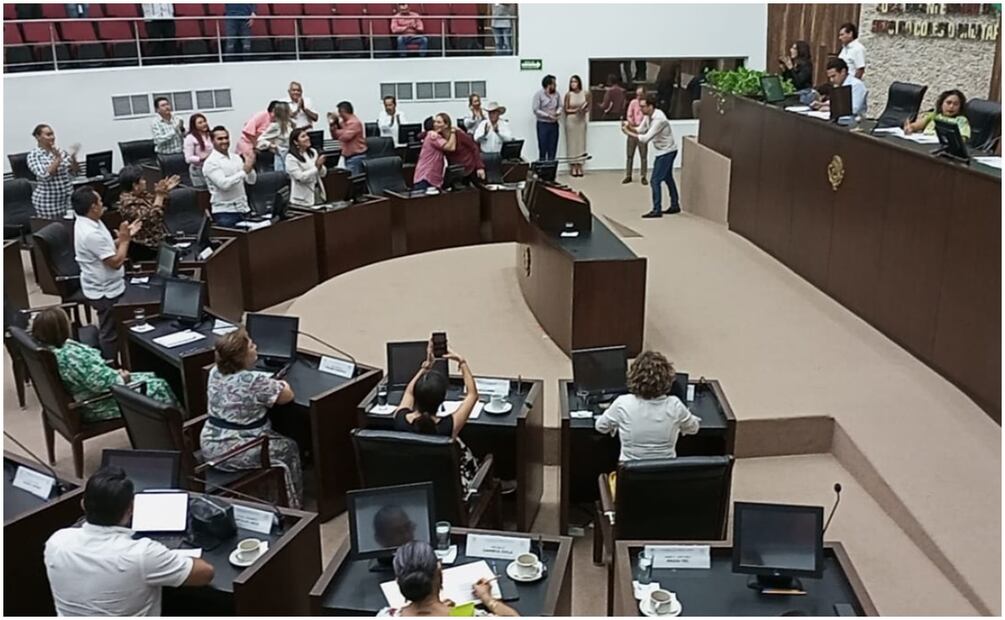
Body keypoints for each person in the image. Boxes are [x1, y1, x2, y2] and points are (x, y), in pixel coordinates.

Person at [44, 466, 214, 616]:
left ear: (83, 505)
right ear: (131, 508)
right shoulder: (142, 554)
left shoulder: (56, 542)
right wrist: (166, 556)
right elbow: (205, 573)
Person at [200, 328, 303, 508]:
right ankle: (294, 508)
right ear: (242, 356)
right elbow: (287, 396)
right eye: (252, 346)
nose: (256, 348)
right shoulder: (254, 381)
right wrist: (282, 384)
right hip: (233, 450)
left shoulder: (214, 371)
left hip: (210, 442)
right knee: (288, 448)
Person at [31, 307, 178, 423]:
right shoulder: (71, 357)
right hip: (97, 403)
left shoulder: (50, 350)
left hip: (92, 390)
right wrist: (123, 378)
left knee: (151, 375)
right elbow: (100, 384)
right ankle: (177, 431)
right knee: (159, 385)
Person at [393, 340, 480, 489]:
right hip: (448, 491)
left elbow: (408, 391)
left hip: (413, 488)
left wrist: (425, 367)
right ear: (442, 400)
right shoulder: (448, 427)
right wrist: (462, 361)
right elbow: (472, 395)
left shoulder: (400, 419)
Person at [72, 187, 141, 360]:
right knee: (109, 332)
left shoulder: (88, 221)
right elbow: (116, 262)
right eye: (100, 202)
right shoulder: (90, 233)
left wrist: (126, 236)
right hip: (104, 291)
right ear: (93, 207)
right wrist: (125, 241)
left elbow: (106, 247)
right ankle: (111, 367)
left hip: (107, 285)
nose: (103, 204)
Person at [594, 350, 700, 461]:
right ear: (668, 379)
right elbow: (693, 428)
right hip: (665, 474)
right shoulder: (675, 405)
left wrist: (616, 426)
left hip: (631, 475)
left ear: (633, 377)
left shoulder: (623, 403)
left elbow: (601, 427)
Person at [378, 541, 519, 617]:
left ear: (398, 581)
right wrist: (488, 599)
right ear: (440, 572)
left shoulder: (385, 616)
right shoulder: (469, 616)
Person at [621, 95, 679, 218]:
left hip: (667, 151)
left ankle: (657, 209)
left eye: (643, 106)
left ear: (650, 106)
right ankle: (675, 205)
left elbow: (646, 138)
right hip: (664, 151)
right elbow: (640, 130)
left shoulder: (659, 119)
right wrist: (629, 127)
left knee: (655, 180)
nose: (640, 109)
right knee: (668, 178)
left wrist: (628, 132)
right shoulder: (648, 117)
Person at [116, 165, 180, 261]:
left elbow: (159, 206)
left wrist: (164, 192)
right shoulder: (128, 203)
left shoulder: (142, 195)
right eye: (142, 180)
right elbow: (153, 218)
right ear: (135, 185)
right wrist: (160, 195)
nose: (145, 182)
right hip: (144, 248)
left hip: (157, 241)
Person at [203, 126, 257, 228]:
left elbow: (251, 181)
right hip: (225, 213)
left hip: (244, 209)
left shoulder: (235, 157)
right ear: (212, 141)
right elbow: (224, 185)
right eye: (220, 139)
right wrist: (244, 171)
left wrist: (250, 168)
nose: (224, 141)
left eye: (226, 138)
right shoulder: (211, 162)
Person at [26, 124, 80, 219]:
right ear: (38, 137)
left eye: (53, 134)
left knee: (68, 229)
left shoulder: (60, 151)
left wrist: (73, 159)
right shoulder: (34, 156)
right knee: (54, 230)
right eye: (48, 134)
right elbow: (45, 176)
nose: (52, 137)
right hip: (48, 203)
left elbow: (75, 173)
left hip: (67, 200)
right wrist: (58, 159)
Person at [904, 89, 971, 140]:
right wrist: (910, 127)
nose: (951, 107)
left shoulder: (962, 120)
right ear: (941, 103)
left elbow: (962, 139)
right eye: (948, 103)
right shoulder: (934, 115)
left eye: (955, 104)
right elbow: (916, 126)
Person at [285, 127, 328, 207]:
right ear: (295, 142)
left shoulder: (313, 152)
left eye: (307, 135)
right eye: (303, 136)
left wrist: (321, 166)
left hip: (317, 193)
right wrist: (316, 167)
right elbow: (300, 177)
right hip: (302, 199)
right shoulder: (290, 158)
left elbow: (323, 174)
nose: (307, 138)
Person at [412, 115, 455, 191]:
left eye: (439, 122)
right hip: (426, 177)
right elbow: (451, 147)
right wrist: (453, 132)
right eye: (436, 122)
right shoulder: (433, 136)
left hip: (433, 177)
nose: (436, 124)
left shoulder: (433, 134)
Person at [329, 101, 368, 175]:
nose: (339, 115)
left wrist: (337, 130)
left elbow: (345, 137)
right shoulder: (343, 123)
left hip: (356, 157)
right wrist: (332, 126)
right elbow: (335, 137)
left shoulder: (355, 123)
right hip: (347, 157)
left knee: (353, 181)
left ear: (342, 111)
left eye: (339, 112)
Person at [563, 75, 590, 177]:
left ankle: (580, 165)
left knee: (581, 142)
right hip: (571, 120)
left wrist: (583, 110)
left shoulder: (585, 93)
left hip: (581, 120)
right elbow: (566, 110)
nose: (573, 84)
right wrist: (576, 111)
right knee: (572, 143)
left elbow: (588, 107)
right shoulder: (568, 95)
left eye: (575, 82)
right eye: (571, 82)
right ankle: (573, 166)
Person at [257, 101, 293, 172]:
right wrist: (271, 145)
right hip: (282, 157)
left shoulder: (291, 124)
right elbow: (260, 140)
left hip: (291, 156)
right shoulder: (275, 126)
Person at [532, 74, 561, 161]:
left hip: (554, 124)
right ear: (548, 85)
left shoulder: (557, 94)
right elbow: (535, 109)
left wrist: (557, 112)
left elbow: (560, 106)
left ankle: (551, 170)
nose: (555, 85)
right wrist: (548, 116)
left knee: (553, 147)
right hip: (543, 124)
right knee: (543, 146)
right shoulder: (539, 95)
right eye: (554, 84)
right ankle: (542, 170)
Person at [623, 86, 648, 185]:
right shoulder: (633, 103)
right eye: (637, 95)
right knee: (630, 154)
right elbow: (629, 114)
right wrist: (631, 122)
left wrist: (642, 125)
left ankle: (643, 176)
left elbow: (647, 116)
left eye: (640, 95)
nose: (638, 97)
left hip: (642, 131)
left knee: (643, 155)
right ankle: (628, 175)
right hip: (633, 130)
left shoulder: (646, 103)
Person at [183, 113, 212, 188]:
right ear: (194, 125)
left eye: (204, 121)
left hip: (211, 167)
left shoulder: (210, 135)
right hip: (198, 169)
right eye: (200, 123)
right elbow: (188, 158)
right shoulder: (190, 138)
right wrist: (201, 159)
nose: (204, 124)